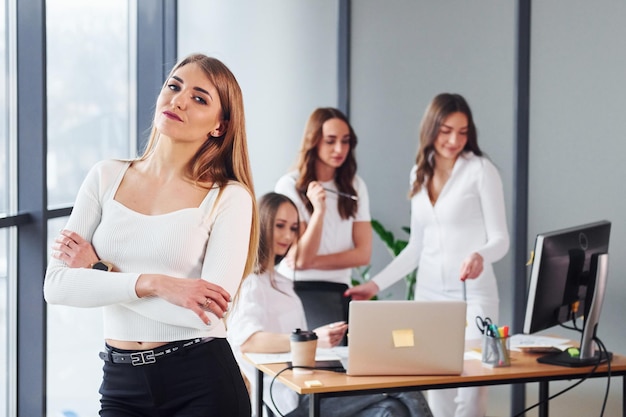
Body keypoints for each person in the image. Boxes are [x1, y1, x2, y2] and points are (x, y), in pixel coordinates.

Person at [43, 53, 258, 417]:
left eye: (199, 98)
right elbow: (57, 286)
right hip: (121, 383)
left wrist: (99, 272)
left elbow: (205, 316)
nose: (179, 100)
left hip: (201, 382)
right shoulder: (105, 176)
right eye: (174, 87)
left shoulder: (229, 197)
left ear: (219, 127)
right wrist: (156, 284)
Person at [346, 93, 510, 417]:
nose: (454, 140)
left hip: (475, 296)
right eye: (446, 130)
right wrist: (374, 286)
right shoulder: (418, 173)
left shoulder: (480, 170)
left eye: (463, 132)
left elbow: (501, 239)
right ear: (431, 128)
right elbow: (416, 247)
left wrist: (479, 254)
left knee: (471, 392)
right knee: (435, 389)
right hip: (430, 295)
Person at [227, 192, 434, 417]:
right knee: (399, 389)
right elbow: (247, 341)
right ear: (262, 224)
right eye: (280, 225)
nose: (287, 235)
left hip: (309, 385)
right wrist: (310, 339)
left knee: (392, 410)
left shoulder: (281, 282)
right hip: (288, 400)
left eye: (294, 228)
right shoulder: (249, 282)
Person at [274, 107, 372, 287]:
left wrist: (312, 261)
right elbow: (301, 256)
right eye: (330, 141)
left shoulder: (355, 186)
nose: (339, 149)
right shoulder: (289, 185)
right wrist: (319, 211)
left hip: (338, 286)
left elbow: (363, 254)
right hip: (296, 285)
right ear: (314, 141)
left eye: (345, 141)